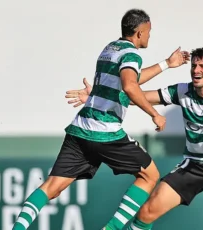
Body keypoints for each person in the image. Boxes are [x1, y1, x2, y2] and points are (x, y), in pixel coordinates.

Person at [12, 9, 190, 230]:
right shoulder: (131, 55)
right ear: (140, 32)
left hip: (80, 129)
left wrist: (166, 64)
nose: (149, 36)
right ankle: (112, 228)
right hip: (105, 132)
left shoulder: (110, 48)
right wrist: (154, 114)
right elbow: (130, 85)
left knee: (52, 187)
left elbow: (130, 77)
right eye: (149, 32)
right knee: (149, 175)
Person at [66, 47, 203, 230]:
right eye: (194, 66)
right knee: (146, 213)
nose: (196, 70)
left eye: (202, 66)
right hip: (194, 164)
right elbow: (139, 96)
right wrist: (98, 96)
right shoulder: (182, 91)